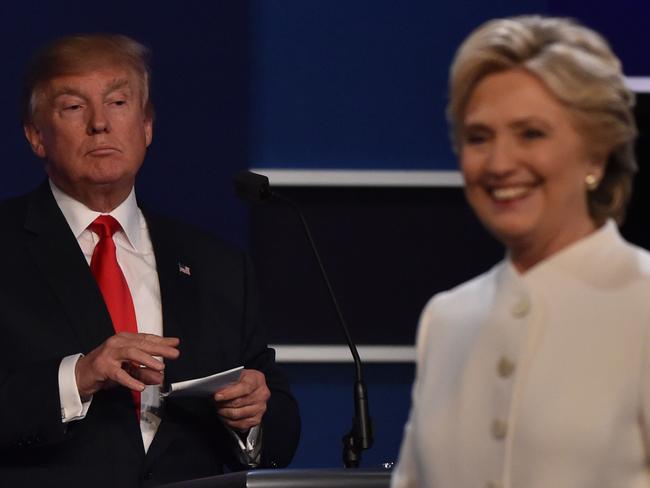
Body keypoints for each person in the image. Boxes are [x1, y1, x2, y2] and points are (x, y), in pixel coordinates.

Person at [0, 34, 299, 487]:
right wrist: (77, 377)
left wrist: (253, 415)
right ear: (36, 136)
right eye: (74, 107)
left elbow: (278, 434)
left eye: (118, 102)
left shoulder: (216, 264)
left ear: (147, 127)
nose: (100, 123)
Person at [392, 15, 647, 488]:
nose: (500, 163)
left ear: (596, 154)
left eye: (531, 134)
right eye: (479, 138)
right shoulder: (446, 320)